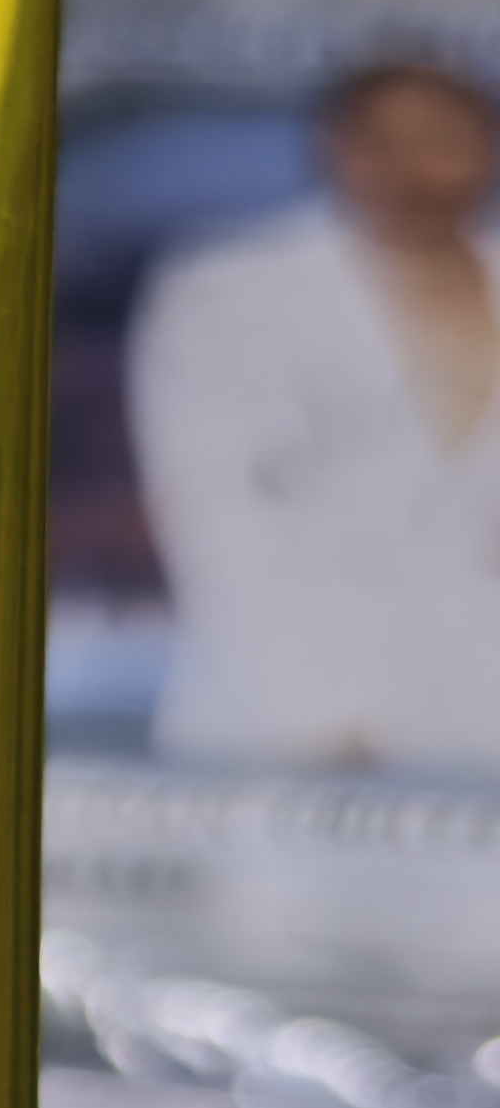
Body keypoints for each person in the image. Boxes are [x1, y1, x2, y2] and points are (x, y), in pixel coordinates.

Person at [127, 62, 500, 773]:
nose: (409, 163)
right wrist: (313, 715)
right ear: (336, 149)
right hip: (287, 721)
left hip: (482, 723)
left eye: (438, 137)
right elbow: (215, 514)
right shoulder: (229, 292)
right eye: (380, 140)